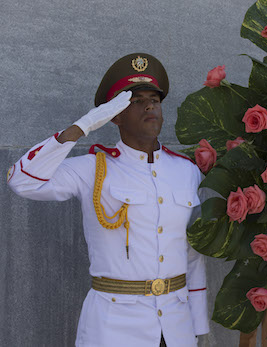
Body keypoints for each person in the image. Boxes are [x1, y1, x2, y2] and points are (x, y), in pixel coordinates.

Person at [7, 53, 209, 346]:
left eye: (154, 98)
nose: (150, 105)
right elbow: (21, 181)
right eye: (137, 100)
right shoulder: (93, 169)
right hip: (114, 327)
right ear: (115, 115)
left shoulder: (187, 171)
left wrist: (196, 323)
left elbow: (193, 252)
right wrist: (85, 125)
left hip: (176, 326)